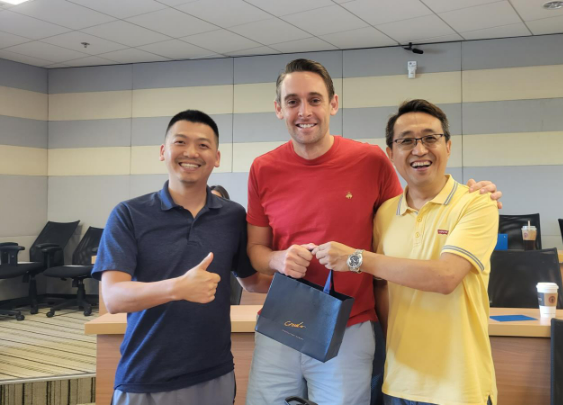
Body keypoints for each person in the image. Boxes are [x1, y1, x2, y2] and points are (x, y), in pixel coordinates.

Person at [245, 59, 502, 404]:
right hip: (283, 320)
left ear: (333, 103)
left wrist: (473, 195)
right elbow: (256, 251)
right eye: (293, 101)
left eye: (315, 99)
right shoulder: (263, 168)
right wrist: (277, 259)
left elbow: (414, 209)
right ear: (279, 108)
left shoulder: (370, 161)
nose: (304, 111)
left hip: (350, 324)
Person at [314, 99, 498, 405]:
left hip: (460, 387)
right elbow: (381, 288)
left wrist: (358, 259)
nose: (420, 150)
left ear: (448, 146)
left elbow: (446, 277)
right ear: (391, 153)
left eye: (430, 138)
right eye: (407, 141)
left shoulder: (476, 204)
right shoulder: (385, 213)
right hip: (398, 383)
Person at [92, 110, 271, 405]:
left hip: (215, 374)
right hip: (145, 377)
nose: (191, 152)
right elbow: (113, 297)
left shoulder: (233, 216)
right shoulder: (128, 214)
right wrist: (178, 288)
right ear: (163, 151)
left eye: (203, 145)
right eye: (180, 142)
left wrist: (310, 275)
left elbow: (252, 282)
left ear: (217, 157)